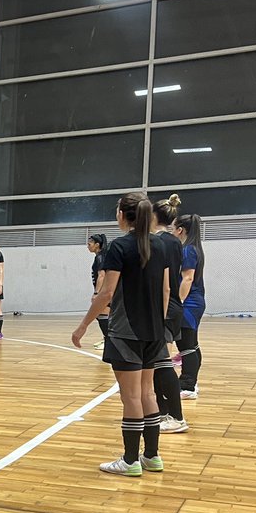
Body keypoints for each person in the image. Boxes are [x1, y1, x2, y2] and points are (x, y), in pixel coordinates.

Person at [72, 192, 168, 477]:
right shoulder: (160, 246)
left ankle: (130, 460)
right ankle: (151, 456)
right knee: (147, 392)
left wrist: (83, 326)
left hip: (126, 331)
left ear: (123, 215)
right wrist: (159, 325)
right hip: (154, 331)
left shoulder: (119, 247)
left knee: (131, 397)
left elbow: (107, 292)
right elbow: (165, 291)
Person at [153, 196, 188, 433]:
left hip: (164, 307)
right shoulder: (173, 241)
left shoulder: (158, 242)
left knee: (162, 363)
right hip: (170, 306)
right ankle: (164, 411)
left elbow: (162, 282)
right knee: (156, 363)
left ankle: (176, 416)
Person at [175, 211, 206, 399]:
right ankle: (191, 382)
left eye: (173, 229)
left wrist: (178, 302)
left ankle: (187, 386)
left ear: (180, 230)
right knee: (192, 344)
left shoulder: (188, 250)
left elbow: (187, 278)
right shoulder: (194, 248)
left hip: (189, 302)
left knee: (186, 344)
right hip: (194, 301)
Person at [87, 234, 110, 348]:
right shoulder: (99, 256)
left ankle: (108, 340)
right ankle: (107, 339)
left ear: (97, 245)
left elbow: (101, 275)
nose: (88, 246)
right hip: (105, 291)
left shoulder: (100, 257)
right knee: (102, 315)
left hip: (104, 291)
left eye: (90, 244)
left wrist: (97, 293)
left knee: (101, 314)